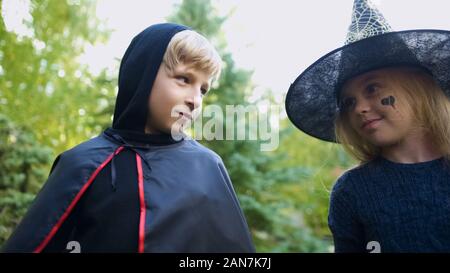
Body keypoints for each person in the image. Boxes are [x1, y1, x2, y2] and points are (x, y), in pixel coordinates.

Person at [2, 23, 255, 253]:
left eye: (203, 89)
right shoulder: (82, 163)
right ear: (142, 75)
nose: (195, 100)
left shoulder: (208, 168)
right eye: (184, 78)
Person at [285, 0, 450, 252]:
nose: (359, 108)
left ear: (418, 87)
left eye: (372, 89)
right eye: (348, 102)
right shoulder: (352, 191)